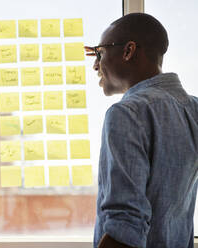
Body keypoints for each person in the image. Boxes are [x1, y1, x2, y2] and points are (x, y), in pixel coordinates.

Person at [85, 13, 198, 248]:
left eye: (100, 53)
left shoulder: (126, 114)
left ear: (128, 51)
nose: (95, 64)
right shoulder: (194, 109)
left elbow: (125, 227)